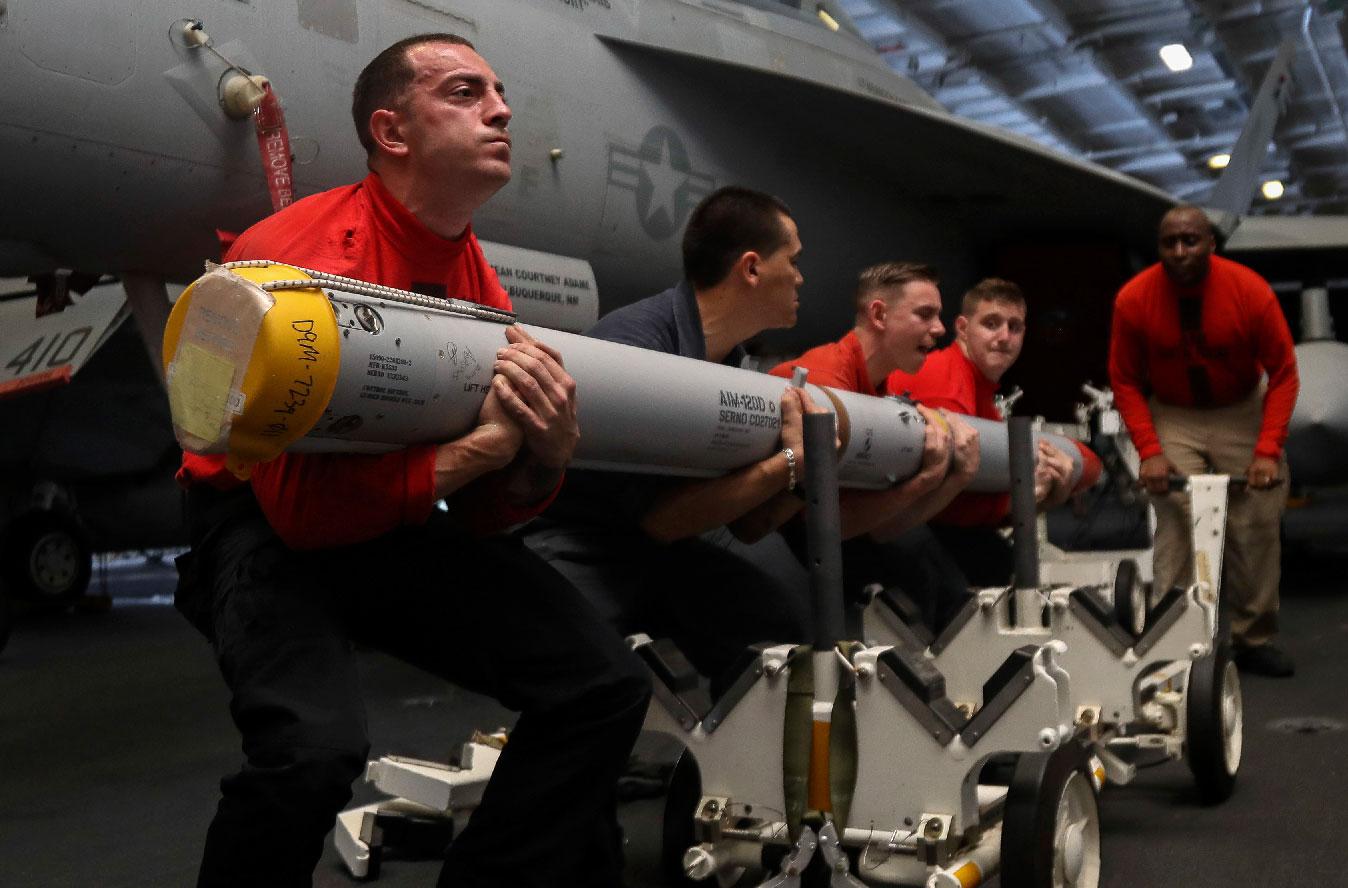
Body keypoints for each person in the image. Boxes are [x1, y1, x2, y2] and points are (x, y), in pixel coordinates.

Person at [172, 34, 650, 887]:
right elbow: (299, 515)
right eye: (467, 92)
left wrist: (541, 462)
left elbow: (484, 511)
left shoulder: (480, 288)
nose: (501, 109)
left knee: (601, 685)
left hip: (392, 512)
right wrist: (480, 452)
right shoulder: (290, 259)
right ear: (393, 133)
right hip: (259, 523)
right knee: (311, 752)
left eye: (499, 92)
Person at [522, 186, 818, 695]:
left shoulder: (728, 361)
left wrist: (799, 474)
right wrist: (790, 462)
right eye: (791, 261)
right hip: (577, 542)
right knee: (594, 682)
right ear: (751, 268)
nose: (800, 276)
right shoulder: (638, 347)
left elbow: (744, 526)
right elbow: (662, 519)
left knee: (772, 630)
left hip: (656, 546)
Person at [1109, 204, 1299, 677]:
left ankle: (1252, 637)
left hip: (1241, 409)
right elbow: (1125, 380)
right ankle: (1172, 638)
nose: (1179, 251)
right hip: (1175, 413)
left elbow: (1285, 373)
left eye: (1189, 240)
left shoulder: (1249, 291)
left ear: (1210, 244)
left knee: (1255, 523)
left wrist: (1267, 449)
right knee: (1176, 518)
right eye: (1169, 243)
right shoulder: (1134, 299)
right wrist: (1150, 452)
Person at [768, 262, 981, 631]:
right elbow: (828, 525)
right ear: (879, 314)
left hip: (814, 532)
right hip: (767, 532)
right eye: (925, 314)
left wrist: (952, 477)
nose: (939, 328)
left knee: (933, 575)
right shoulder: (826, 383)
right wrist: (927, 480)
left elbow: (881, 527)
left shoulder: (876, 389)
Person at [885, 277, 1076, 586]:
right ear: (962, 328)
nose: (1004, 337)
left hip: (931, 524)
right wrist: (1024, 498)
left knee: (1001, 560)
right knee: (992, 565)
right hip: (898, 531)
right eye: (991, 324)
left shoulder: (980, 389)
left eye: (1014, 327)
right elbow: (946, 504)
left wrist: (1042, 498)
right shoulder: (947, 383)